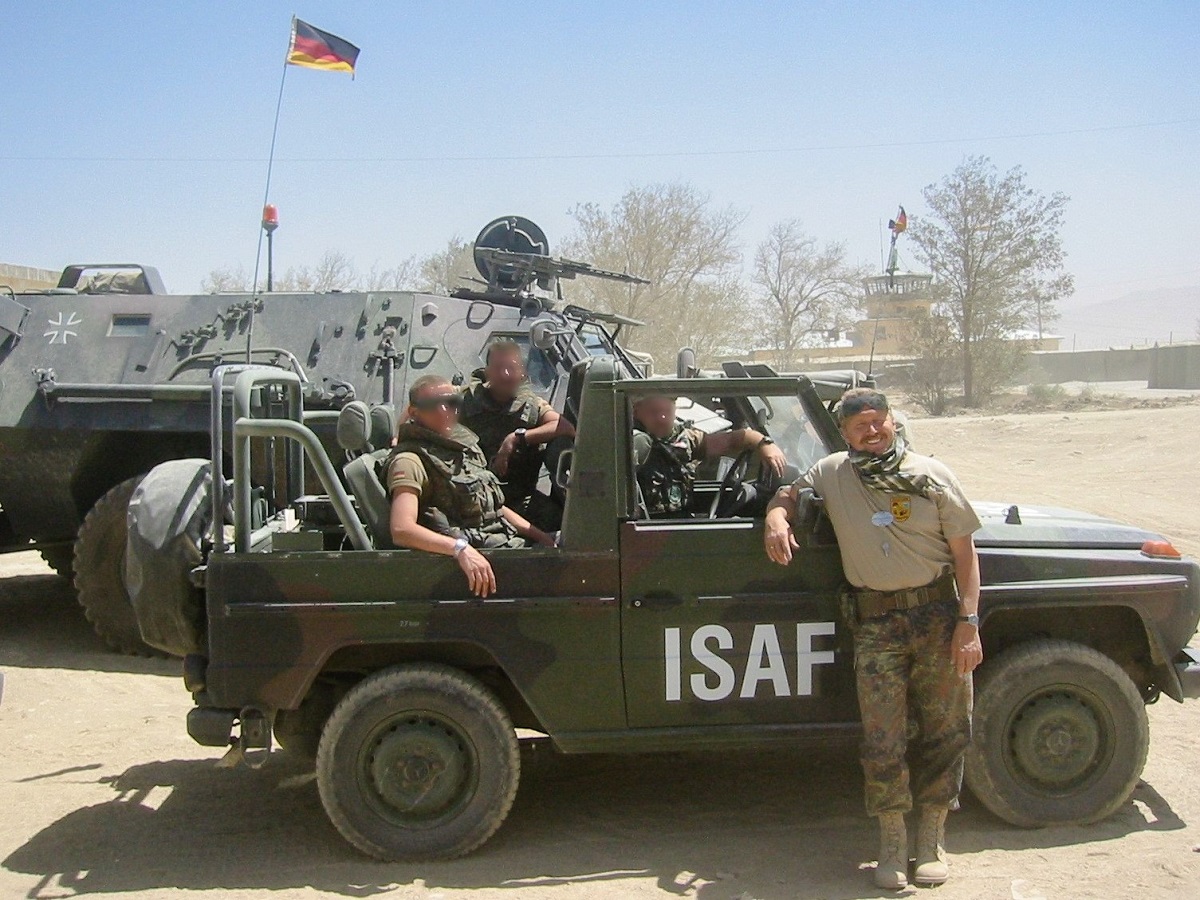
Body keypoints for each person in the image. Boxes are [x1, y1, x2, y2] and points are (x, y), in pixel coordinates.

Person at [762, 387, 982, 890]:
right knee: (883, 738)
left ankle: (930, 840)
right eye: (861, 425)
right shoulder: (833, 471)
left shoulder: (931, 474)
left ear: (891, 421)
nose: (873, 430)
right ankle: (891, 843)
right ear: (844, 433)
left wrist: (969, 623)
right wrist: (777, 513)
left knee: (947, 730)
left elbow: (966, 556)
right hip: (877, 623)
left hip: (937, 616)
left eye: (879, 421)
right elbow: (791, 490)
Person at [388, 374, 554, 598]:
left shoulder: (456, 450)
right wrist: (460, 549)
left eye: (453, 403)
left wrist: (541, 537)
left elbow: (493, 506)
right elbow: (401, 530)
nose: (447, 410)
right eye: (435, 405)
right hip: (479, 561)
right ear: (414, 412)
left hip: (503, 544)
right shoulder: (410, 460)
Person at [460, 339, 574, 529]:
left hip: (519, 498)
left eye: (511, 368)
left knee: (564, 527)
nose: (505, 374)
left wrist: (516, 438)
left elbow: (565, 427)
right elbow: (418, 406)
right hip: (472, 500)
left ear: (522, 372)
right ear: (487, 371)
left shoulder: (532, 405)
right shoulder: (464, 399)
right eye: (498, 368)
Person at [632, 394, 787, 517]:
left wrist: (764, 443)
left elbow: (732, 440)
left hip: (678, 520)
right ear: (636, 412)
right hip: (647, 528)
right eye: (653, 412)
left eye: (667, 411)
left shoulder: (686, 439)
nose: (662, 418)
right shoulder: (629, 443)